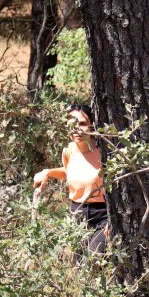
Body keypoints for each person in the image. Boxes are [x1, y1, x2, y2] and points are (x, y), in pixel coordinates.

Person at [32, 104, 108, 254]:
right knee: (77, 262)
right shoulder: (69, 151)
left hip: (103, 214)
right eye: (73, 124)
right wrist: (48, 172)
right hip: (77, 213)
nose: (77, 129)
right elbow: (70, 172)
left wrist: (112, 220)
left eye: (83, 124)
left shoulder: (104, 152)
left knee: (94, 258)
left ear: (92, 125)